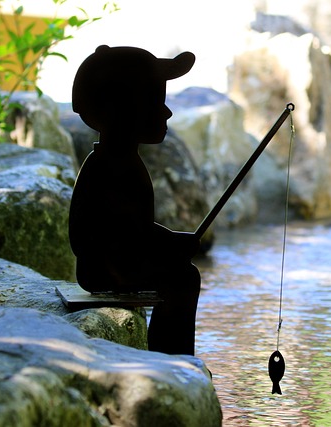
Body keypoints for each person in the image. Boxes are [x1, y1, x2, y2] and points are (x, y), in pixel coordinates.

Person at [69, 45, 199, 355]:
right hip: (107, 269)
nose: (166, 112)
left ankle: (170, 354)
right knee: (182, 279)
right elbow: (122, 234)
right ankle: (171, 356)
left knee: (182, 274)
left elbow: (135, 229)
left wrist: (171, 241)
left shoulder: (121, 163)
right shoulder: (109, 167)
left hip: (118, 263)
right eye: (155, 102)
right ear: (124, 109)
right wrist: (171, 242)